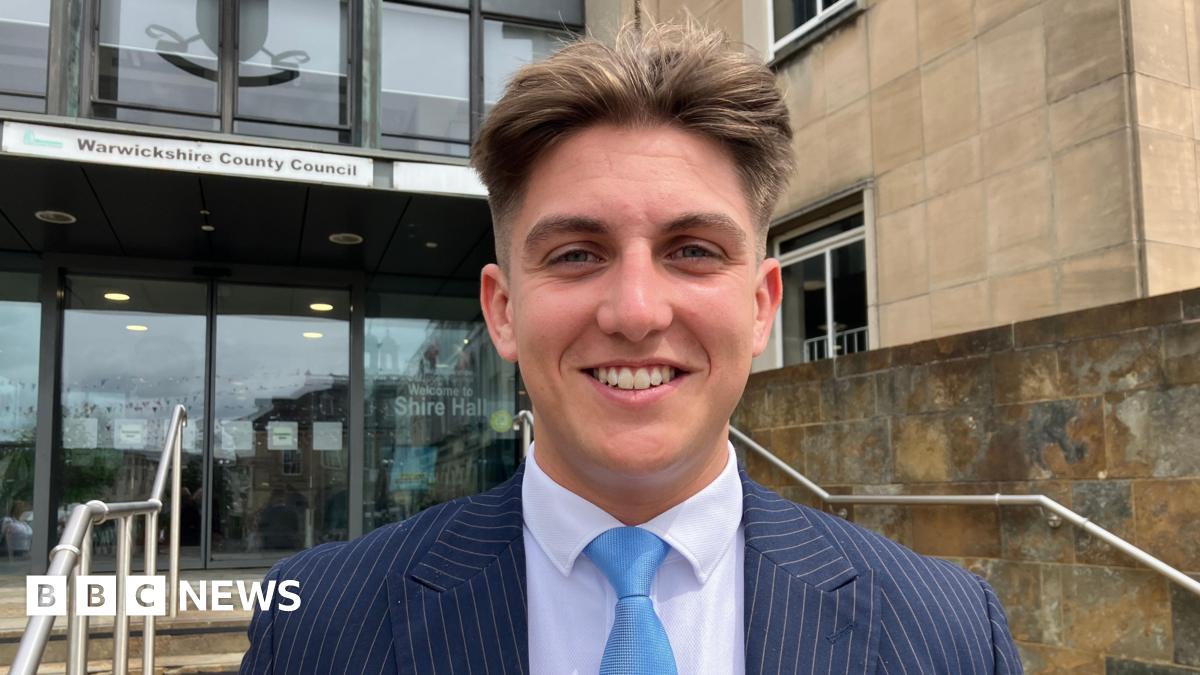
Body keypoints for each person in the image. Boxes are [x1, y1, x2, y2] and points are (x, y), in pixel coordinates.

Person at [240, 20, 1021, 674]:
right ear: (503, 311)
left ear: (760, 306)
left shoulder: (949, 632)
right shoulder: (314, 625)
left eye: (693, 251)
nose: (637, 311)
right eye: (577, 253)